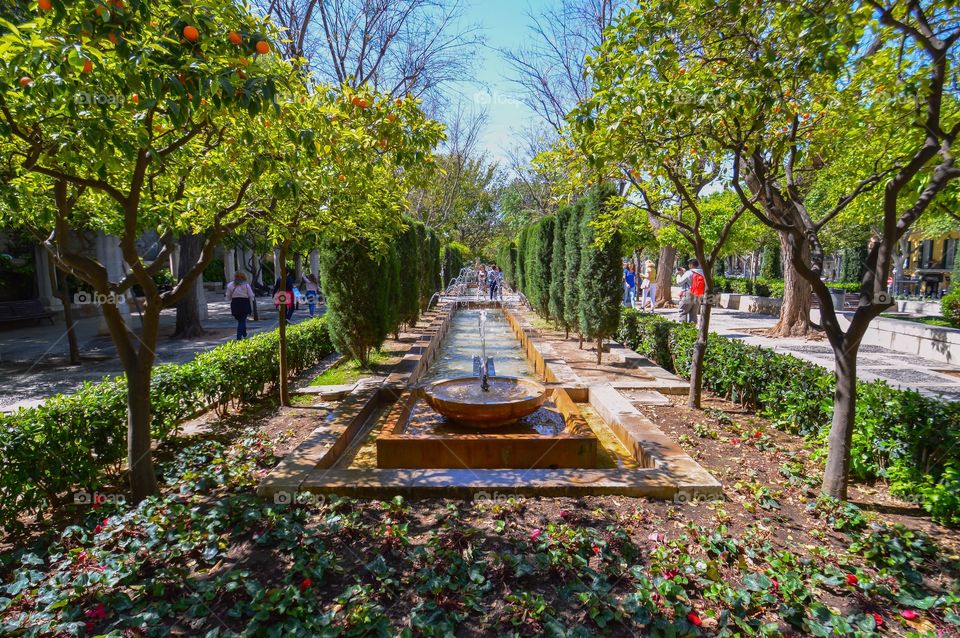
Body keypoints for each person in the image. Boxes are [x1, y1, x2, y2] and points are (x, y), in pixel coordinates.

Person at [225, 272, 255, 340]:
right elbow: (251, 295)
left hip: (235, 303)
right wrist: (252, 301)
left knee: (240, 320)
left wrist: (227, 299)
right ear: (244, 277)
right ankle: (241, 335)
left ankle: (242, 334)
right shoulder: (246, 285)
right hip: (244, 303)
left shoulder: (230, 285)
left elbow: (228, 295)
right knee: (242, 320)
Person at [676, 259, 706, 323]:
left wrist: (678, 274)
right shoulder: (703, 273)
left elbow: (679, 282)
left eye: (689, 264)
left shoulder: (689, 272)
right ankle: (692, 330)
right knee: (693, 314)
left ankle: (683, 330)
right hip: (699, 294)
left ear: (691, 265)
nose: (688, 265)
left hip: (688, 293)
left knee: (683, 312)